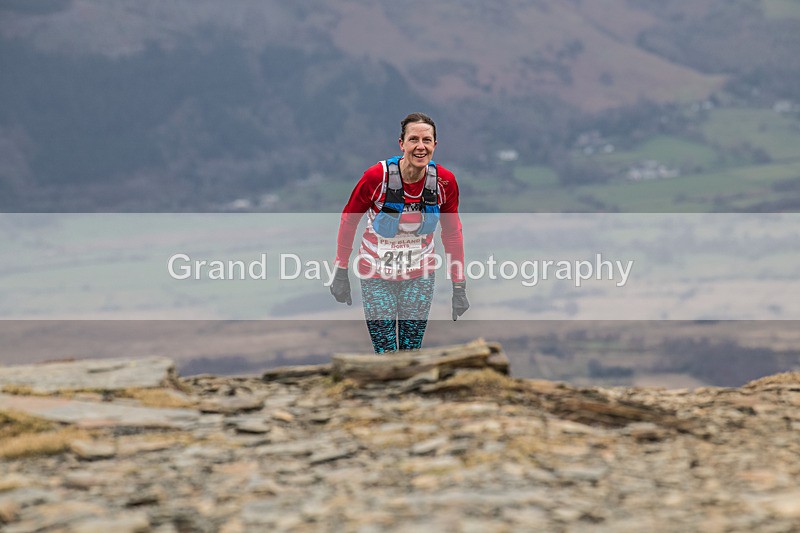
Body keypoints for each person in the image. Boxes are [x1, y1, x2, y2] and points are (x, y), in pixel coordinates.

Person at [330, 112, 469, 353]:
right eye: (413, 139)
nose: (420, 146)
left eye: (427, 140)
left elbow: (452, 234)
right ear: (401, 143)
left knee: (410, 352)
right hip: (376, 276)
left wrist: (459, 286)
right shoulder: (376, 178)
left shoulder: (444, 182)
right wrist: (340, 270)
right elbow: (349, 219)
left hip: (419, 276)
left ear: (435, 145)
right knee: (386, 352)